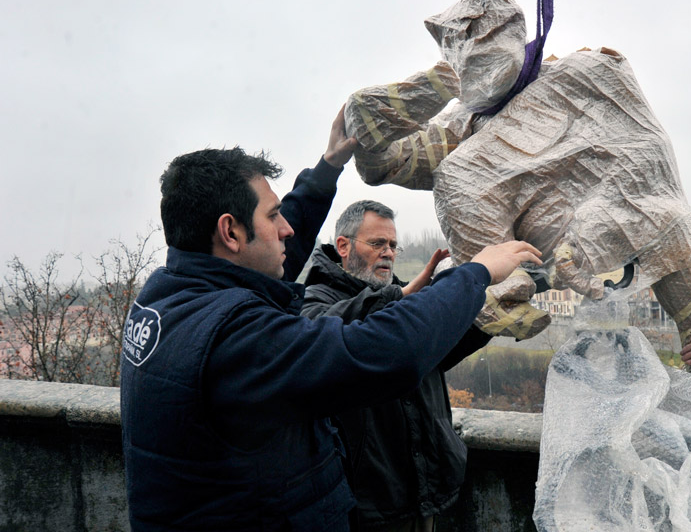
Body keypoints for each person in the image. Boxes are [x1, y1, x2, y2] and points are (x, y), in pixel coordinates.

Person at [119, 107, 542, 531]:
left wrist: (328, 167)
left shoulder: (170, 294)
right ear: (229, 232)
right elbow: (382, 351)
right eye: (272, 215)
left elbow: (268, 250)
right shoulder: (232, 338)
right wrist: (477, 273)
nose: (287, 229)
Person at [301, 200, 490, 531]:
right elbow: (328, 334)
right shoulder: (316, 300)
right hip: (370, 505)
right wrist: (401, 298)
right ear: (343, 246)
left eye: (392, 245)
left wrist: (484, 323)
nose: (388, 252)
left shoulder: (400, 296)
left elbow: (437, 355)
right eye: (377, 243)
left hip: (425, 494)